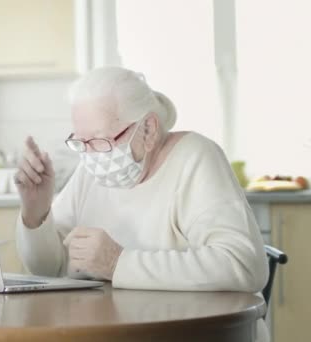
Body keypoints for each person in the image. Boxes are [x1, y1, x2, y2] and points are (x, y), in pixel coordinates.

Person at [14, 66, 269, 341]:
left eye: (100, 140)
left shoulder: (195, 158)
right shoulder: (90, 171)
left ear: (147, 129)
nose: (90, 156)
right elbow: (48, 269)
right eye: (80, 142)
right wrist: (36, 212)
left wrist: (118, 264)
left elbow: (243, 265)